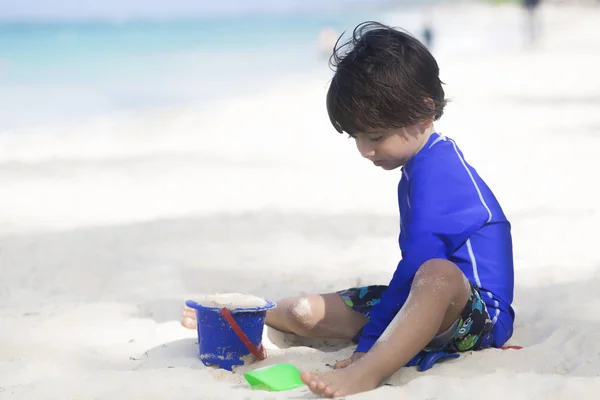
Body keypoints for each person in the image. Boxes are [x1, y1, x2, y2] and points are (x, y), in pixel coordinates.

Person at [182, 21, 515, 398]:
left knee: (437, 272)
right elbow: (407, 283)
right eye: (356, 136)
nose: (364, 149)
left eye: (375, 136)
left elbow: (419, 267)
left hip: (474, 317)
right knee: (305, 313)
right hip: (415, 300)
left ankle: (369, 373)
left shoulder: (443, 172)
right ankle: (240, 314)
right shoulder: (416, 168)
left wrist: (368, 349)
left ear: (424, 112)